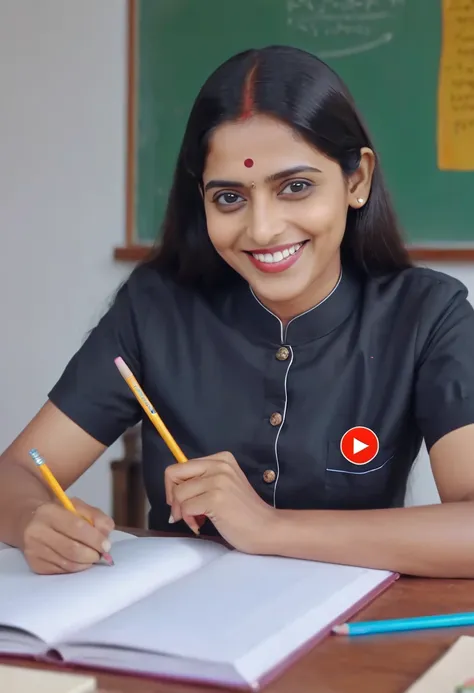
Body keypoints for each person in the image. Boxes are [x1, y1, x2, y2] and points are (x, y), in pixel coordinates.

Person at [1, 45, 474, 579]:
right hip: (181, 636)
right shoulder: (158, 307)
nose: (263, 229)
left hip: (346, 635)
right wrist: (31, 518)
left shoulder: (428, 315)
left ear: (357, 180)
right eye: (229, 198)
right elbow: (18, 470)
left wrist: (270, 527)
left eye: (295, 187)